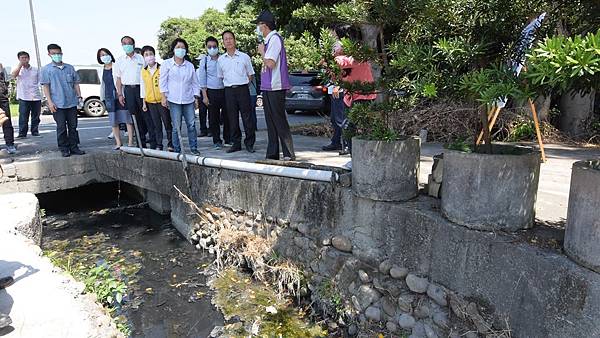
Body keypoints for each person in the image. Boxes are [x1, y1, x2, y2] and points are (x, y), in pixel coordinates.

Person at [328, 25, 376, 155]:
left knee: (353, 124)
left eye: (338, 37)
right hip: (351, 95)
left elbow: (348, 62)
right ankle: (352, 151)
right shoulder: (345, 53)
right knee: (348, 125)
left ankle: (359, 152)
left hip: (363, 94)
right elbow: (338, 73)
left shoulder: (357, 52)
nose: (337, 42)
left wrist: (333, 59)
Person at [255, 10, 295, 160]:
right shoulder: (269, 40)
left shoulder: (275, 39)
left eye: (259, 25)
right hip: (268, 86)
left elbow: (270, 63)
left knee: (279, 120)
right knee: (271, 122)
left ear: (264, 26)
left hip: (275, 86)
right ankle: (272, 154)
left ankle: (289, 154)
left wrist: (262, 52)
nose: (258, 29)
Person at [40, 43, 85, 157]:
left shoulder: (69, 67)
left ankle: (74, 147)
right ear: (49, 54)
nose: (57, 55)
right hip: (57, 103)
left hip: (71, 102)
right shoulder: (46, 69)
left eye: (59, 53)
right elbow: (46, 86)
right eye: (54, 53)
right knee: (61, 127)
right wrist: (49, 102)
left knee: (73, 126)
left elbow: (76, 83)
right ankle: (63, 148)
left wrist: (79, 96)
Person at [159, 38, 201, 155]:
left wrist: (196, 98)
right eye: (178, 47)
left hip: (188, 99)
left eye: (183, 48)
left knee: (191, 125)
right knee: (176, 126)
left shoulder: (189, 66)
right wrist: (163, 97)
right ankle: (177, 149)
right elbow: (163, 82)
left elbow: (195, 83)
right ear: (173, 49)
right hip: (173, 100)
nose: (180, 50)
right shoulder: (167, 64)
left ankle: (193, 147)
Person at [217, 30, 256, 153]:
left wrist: (242, 84)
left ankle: (249, 143)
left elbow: (250, 75)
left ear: (235, 40)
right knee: (232, 118)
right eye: (225, 39)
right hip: (229, 91)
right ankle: (236, 143)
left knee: (247, 117)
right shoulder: (221, 60)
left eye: (230, 38)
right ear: (223, 43)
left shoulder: (245, 57)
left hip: (243, 89)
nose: (228, 41)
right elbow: (221, 76)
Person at [114, 36, 156, 149]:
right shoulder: (119, 61)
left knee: (147, 116)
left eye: (129, 43)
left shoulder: (141, 58)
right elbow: (118, 79)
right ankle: (140, 143)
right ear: (122, 45)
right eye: (124, 43)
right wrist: (120, 94)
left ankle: (153, 142)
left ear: (133, 44)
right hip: (128, 90)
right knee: (135, 117)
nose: (127, 45)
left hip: (142, 89)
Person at [98, 48, 133, 150]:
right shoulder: (102, 69)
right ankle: (118, 142)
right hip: (109, 98)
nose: (104, 56)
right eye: (102, 55)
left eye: (106, 54)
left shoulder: (117, 65)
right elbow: (103, 85)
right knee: (114, 121)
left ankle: (130, 142)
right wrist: (102, 98)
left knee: (127, 119)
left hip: (120, 95)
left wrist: (121, 93)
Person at [197, 36, 229, 150]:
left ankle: (228, 138)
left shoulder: (223, 58)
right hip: (211, 92)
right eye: (209, 47)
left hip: (224, 90)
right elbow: (202, 80)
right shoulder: (204, 61)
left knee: (227, 116)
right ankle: (217, 140)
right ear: (206, 48)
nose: (212, 48)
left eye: (214, 46)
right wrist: (205, 96)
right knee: (213, 118)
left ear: (218, 47)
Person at [140, 45, 174, 152]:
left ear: (154, 55)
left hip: (162, 100)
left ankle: (170, 143)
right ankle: (159, 144)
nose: (149, 57)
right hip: (150, 102)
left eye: (151, 54)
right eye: (146, 55)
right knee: (156, 125)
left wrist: (167, 98)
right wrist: (144, 102)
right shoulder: (143, 71)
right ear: (143, 57)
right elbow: (143, 87)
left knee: (167, 123)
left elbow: (167, 83)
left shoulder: (162, 68)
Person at [11, 51, 42, 139]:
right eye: (22, 58)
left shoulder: (36, 69)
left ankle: (35, 131)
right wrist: (20, 65)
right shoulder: (17, 69)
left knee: (36, 116)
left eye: (26, 57)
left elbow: (40, 82)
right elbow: (13, 75)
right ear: (19, 59)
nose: (24, 59)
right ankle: (22, 133)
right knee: (23, 116)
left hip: (35, 96)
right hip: (23, 96)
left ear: (29, 58)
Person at [0, 64, 16, 154]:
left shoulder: (2, 68)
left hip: (2, 98)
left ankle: (10, 144)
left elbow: (7, 81)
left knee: (6, 121)